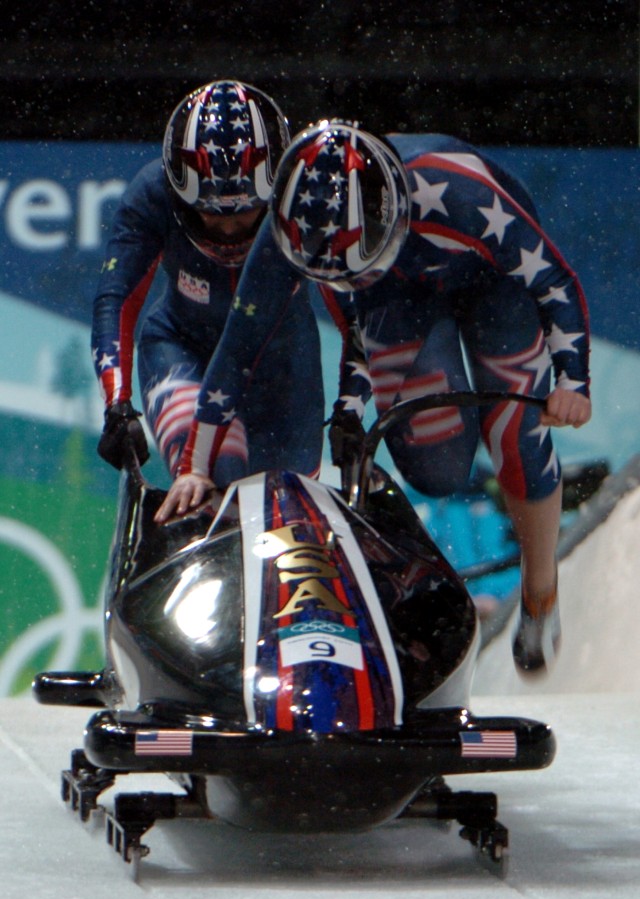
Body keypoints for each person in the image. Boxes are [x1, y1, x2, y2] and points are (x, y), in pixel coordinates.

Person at [267, 119, 592, 677]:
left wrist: (572, 382)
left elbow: (554, 282)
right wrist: (348, 412)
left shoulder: (461, 199)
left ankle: (540, 593)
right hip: (404, 297)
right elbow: (357, 337)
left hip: (499, 287)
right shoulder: (328, 248)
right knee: (436, 467)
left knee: (515, 428)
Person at [91, 79, 324, 513]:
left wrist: (354, 399)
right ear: (180, 196)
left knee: (285, 517)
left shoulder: (305, 200)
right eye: (213, 215)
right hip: (183, 348)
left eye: (246, 212)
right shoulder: (151, 195)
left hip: (285, 369)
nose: (230, 229)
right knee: (215, 490)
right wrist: (117, 404)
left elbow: (348, 305)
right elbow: (115, 298)